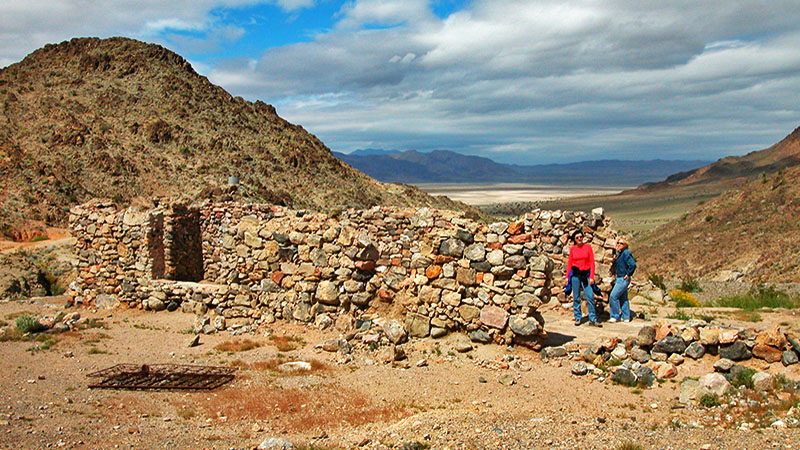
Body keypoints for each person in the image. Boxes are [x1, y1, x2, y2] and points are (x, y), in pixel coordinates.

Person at [565, 229, 601, 327]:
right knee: (576, 297)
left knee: (590, 296)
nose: (580, 239)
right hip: (576, 275)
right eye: (577, 238)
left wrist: (592, 276)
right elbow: (569, 264)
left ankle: (592, 319)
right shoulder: (573, 249)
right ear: (574, 240)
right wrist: (567, 277)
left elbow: (592, 263)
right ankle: (578, 317)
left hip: (586, 275)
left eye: (581, 237)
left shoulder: (588, 247)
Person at [609, 236, 636, 322]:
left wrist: (628, 274)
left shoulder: (626, 253)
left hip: (623, 279)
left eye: (622, 243)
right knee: (623, 298)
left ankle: (615, 316)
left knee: (613, 296)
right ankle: (626, 316)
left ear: (625, 245)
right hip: (620, 278)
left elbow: (633, 265)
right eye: (618, 243)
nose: (619, 245)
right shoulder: (620, 254)